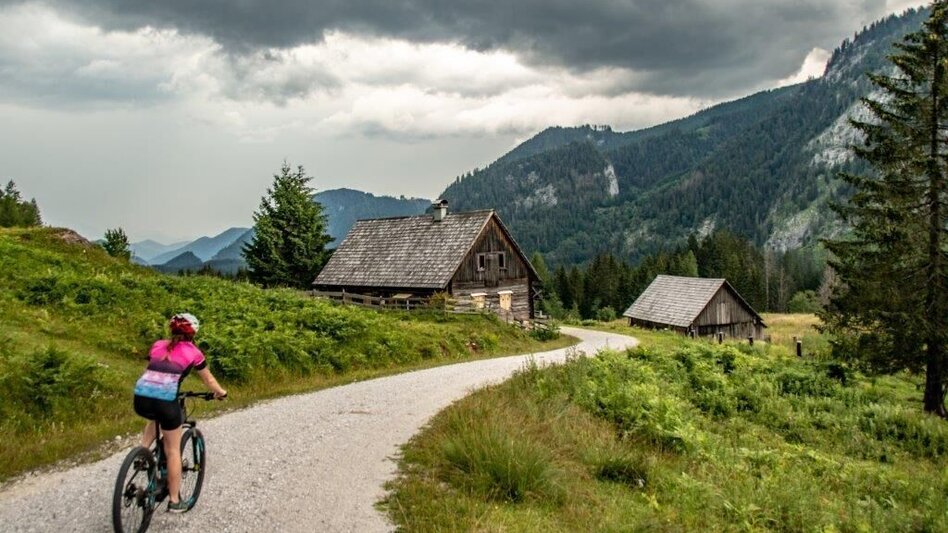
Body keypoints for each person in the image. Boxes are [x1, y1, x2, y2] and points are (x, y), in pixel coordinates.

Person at [132, 313, 226, 513]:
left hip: (141, 397)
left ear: (171, 330)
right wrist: (220, 393)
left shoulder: (158, 345)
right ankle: (174, 500)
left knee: (154, 416)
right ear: (193, 333)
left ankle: (142, 453)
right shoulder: (194, 352)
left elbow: (156, 371)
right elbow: (208, 380)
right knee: (173, 450)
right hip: (166, 401)